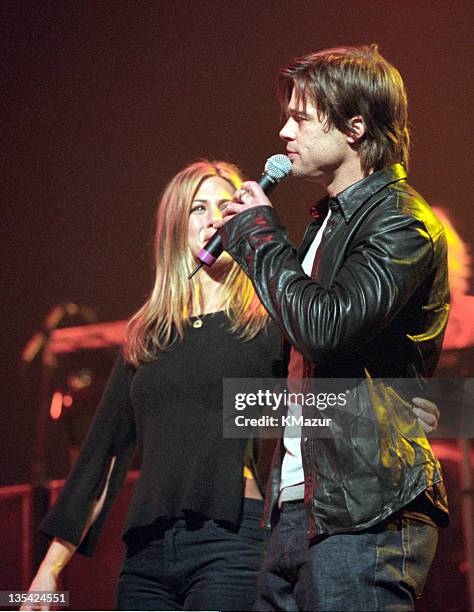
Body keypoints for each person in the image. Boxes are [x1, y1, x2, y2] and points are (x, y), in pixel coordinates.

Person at [22, 159, 440, 612]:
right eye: (197, 208)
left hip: (231, 542)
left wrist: (396, 409)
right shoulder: (148, 333)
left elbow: (320, 398)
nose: (212, 219)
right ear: (174, 228)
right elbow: (102, 455)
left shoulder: (268, 325)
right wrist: (50, 569)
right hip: (145, 552)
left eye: (225, 206)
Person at [215, 45, 450, 611]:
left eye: (299, 117)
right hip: (299, 505)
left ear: (355, 126)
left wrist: (257, 237)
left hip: (367, 509)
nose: (283, 130)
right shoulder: (327, 222)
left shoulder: (400, 221)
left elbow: (324, 328)